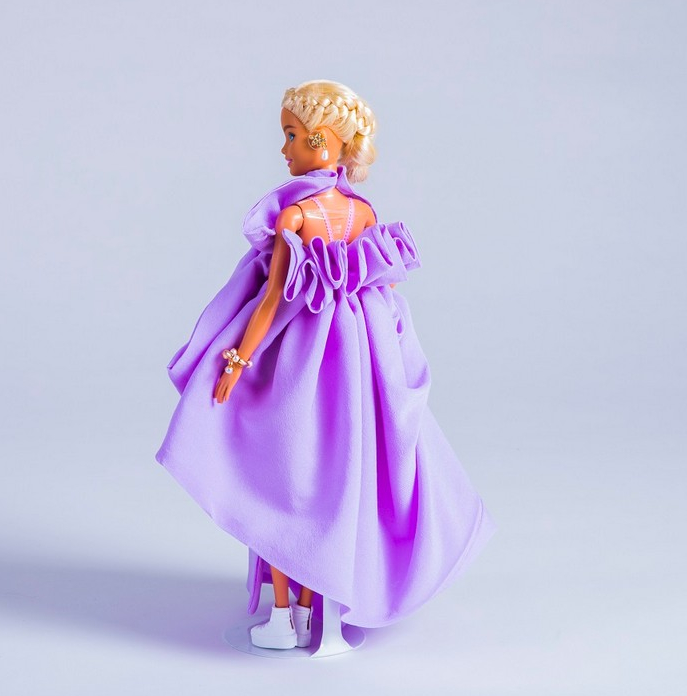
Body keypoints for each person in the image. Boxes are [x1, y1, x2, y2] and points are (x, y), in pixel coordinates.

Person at [155, 79, 496, 650]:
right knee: (337, 477)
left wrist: (237, 358)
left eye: (291, 136)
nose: (283, 149)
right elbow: (380, 287)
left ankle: (286, 618)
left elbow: (271, 301)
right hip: (355, 357)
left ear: (319, 140)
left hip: (300, 356)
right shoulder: (362, 213)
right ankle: (326, 612)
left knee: (282, 480)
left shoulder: (294, 217)